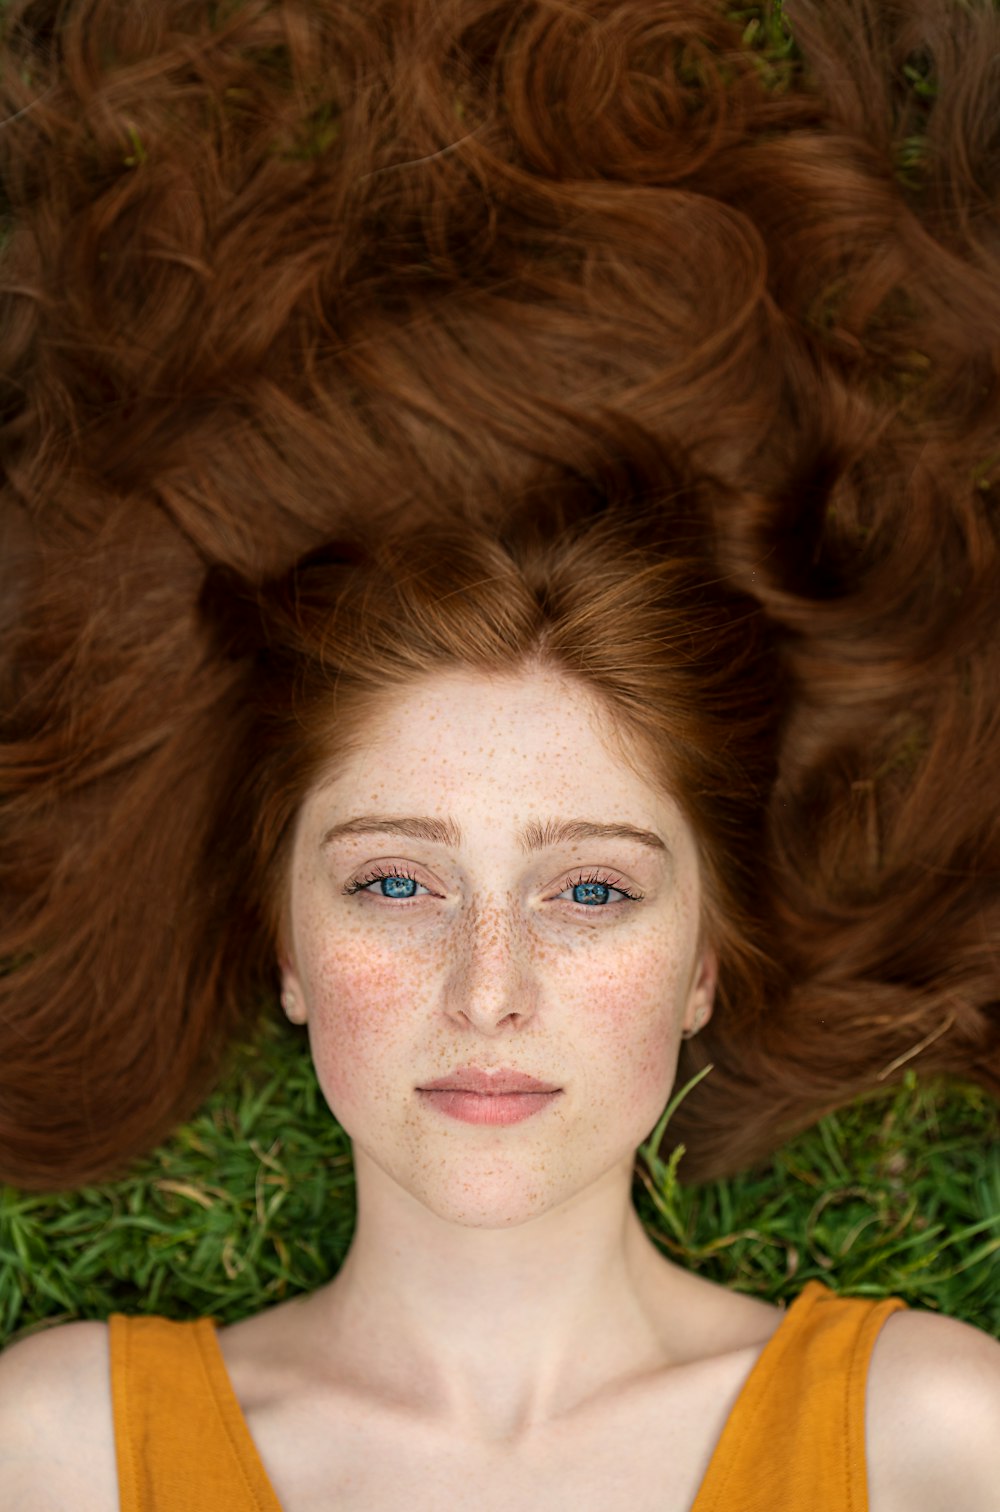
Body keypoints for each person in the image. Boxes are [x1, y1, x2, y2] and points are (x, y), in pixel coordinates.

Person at [1, 0, 999, 1506]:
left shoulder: (938, 1440)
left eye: (590, 893)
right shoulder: (55, 1450)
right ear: (284, 939)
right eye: (396, 885)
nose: (487, 987)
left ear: (706, 960)